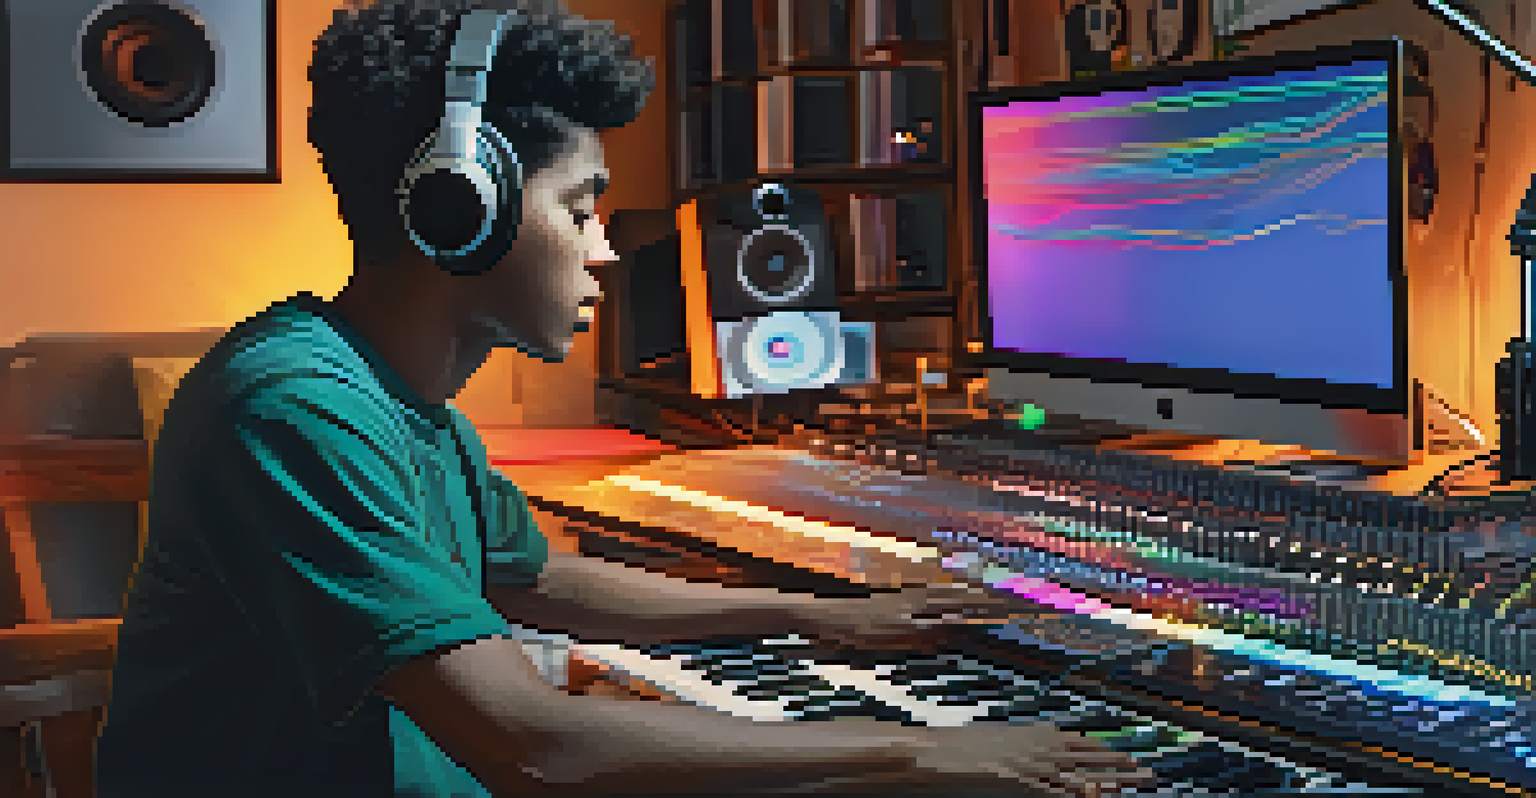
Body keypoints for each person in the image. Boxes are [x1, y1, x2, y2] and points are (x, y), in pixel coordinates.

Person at [94, 2, 1153, 796]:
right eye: (580, 207)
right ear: (460, 208)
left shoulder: (406, 403)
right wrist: (926, 748)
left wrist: (817, 614)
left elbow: (535, 578)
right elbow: (533, 743)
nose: (606, 250)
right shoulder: (292, 407)